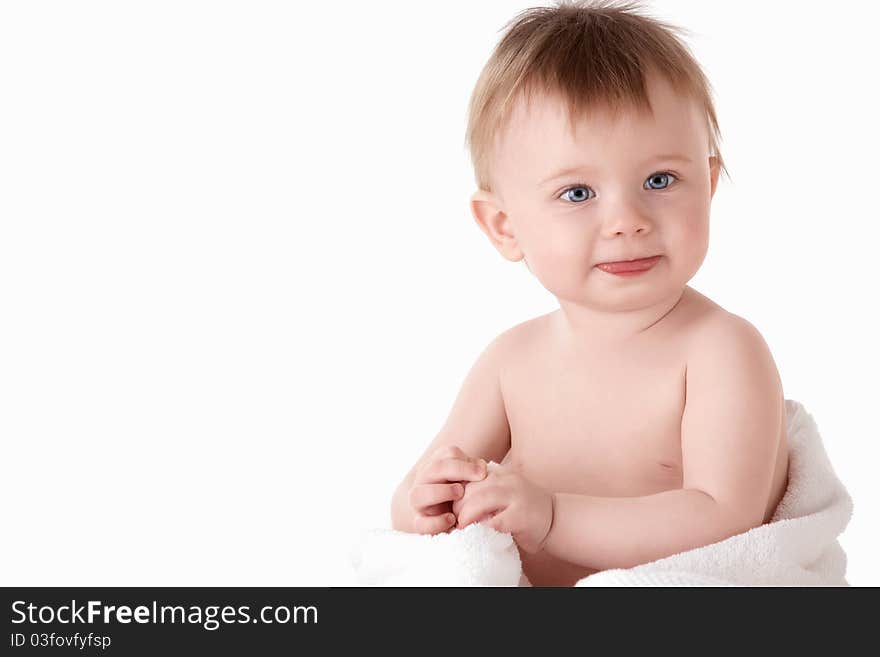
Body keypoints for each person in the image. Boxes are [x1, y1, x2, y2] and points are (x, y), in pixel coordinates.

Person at [390, 0, 789, 587]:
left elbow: (725, 517)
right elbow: (412, 499)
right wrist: (425, 505)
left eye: (660, 180)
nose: (626, 220)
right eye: (577, 193)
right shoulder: (510, 362)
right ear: (504, 226)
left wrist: (552, 518)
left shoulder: (720, 350)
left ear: (707, 185)